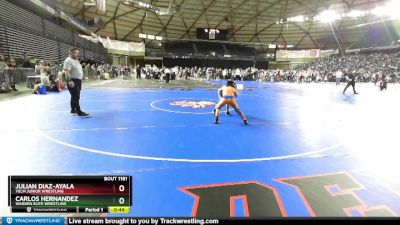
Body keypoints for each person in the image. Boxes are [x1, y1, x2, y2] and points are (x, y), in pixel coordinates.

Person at [63, 48, 89, 117]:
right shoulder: (68, 61)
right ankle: (79, 112)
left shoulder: (76, 60)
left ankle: (73, 110)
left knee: (74, 96)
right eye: (76, 53)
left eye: (78, 53)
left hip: (78, 80)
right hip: (73, 80)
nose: (77, 54)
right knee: (76, 96)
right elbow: (66, 71)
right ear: (71, 53)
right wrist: (69, 81)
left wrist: (82, 76)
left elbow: (77, 70)